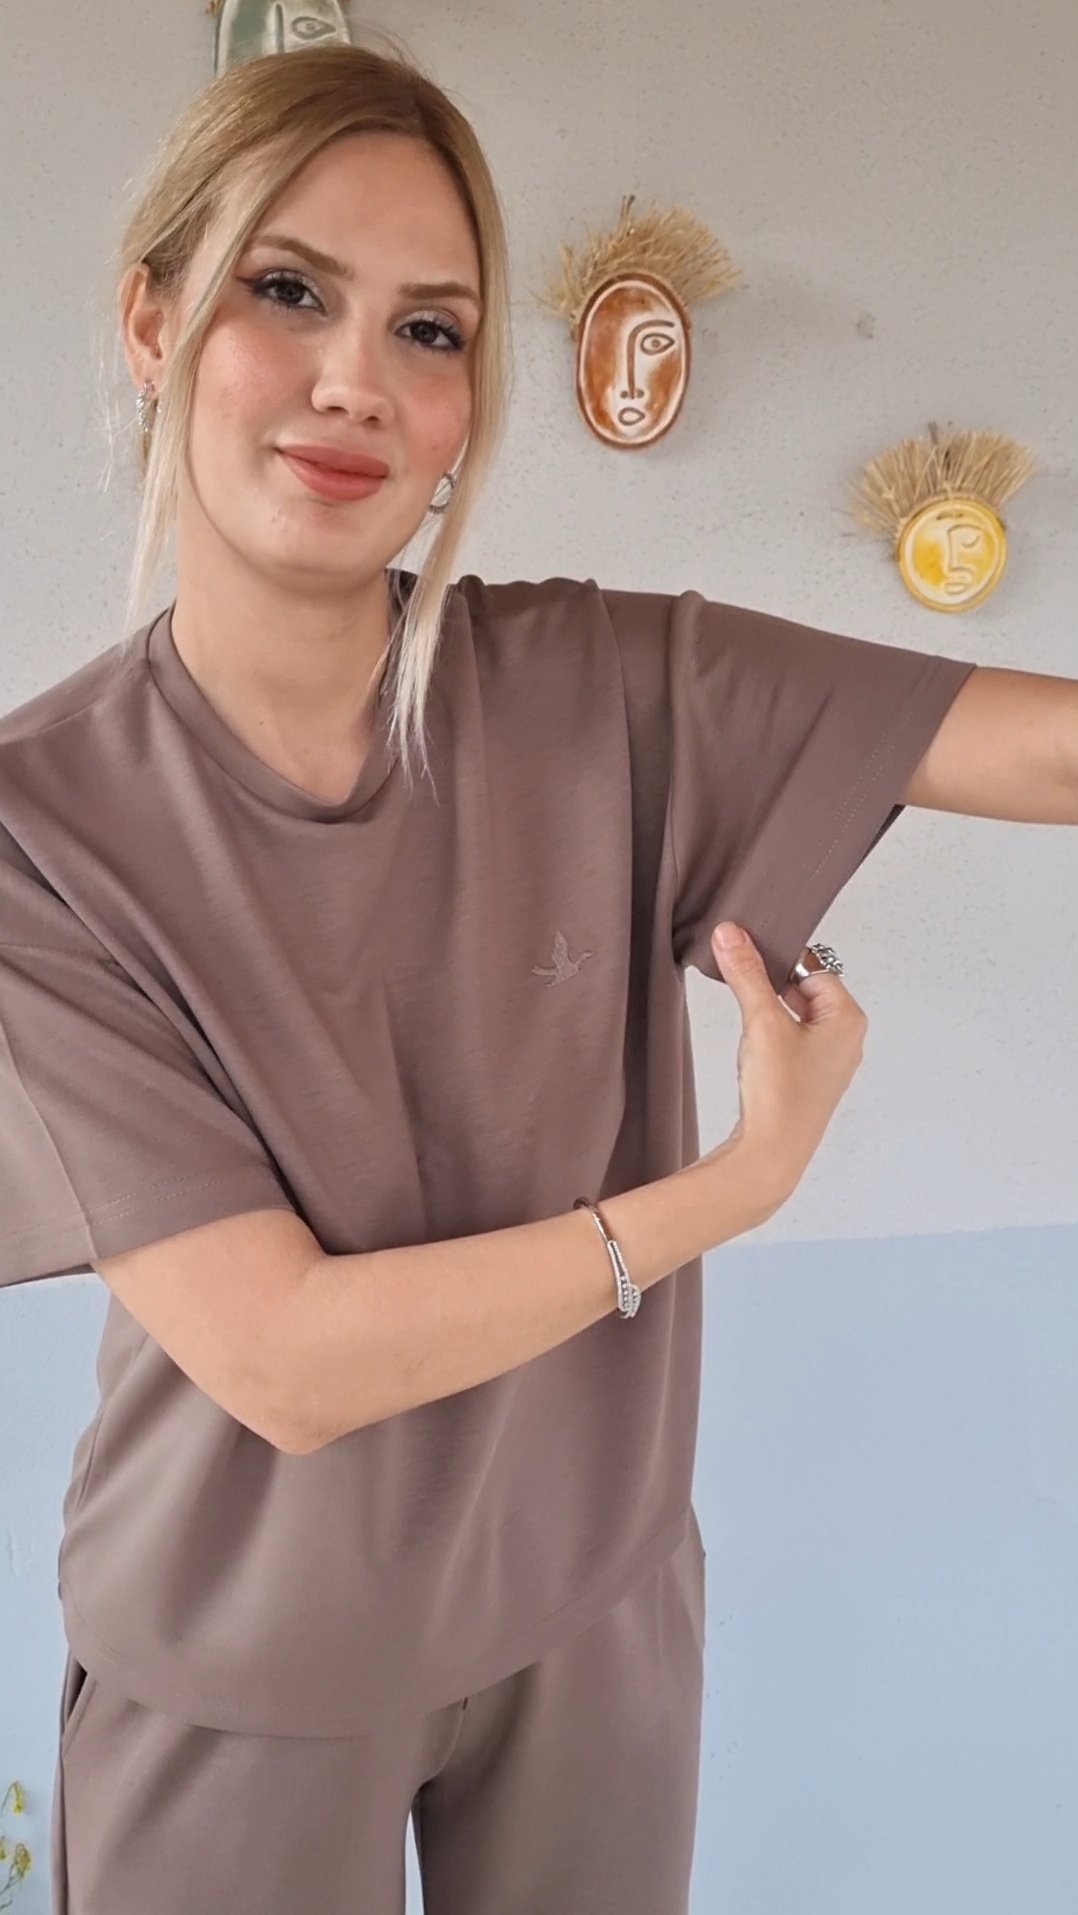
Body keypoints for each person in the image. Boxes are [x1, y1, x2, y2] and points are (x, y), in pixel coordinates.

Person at [0, 41, 982, 1915]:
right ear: (154, 323)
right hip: (244, 1660)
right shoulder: (35, 830)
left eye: (430, 330)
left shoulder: (595, 688)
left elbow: (1035, 746)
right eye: (288, 291)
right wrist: (731, 1190)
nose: (355, 380)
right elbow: (286, 1363)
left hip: (590, 1605)